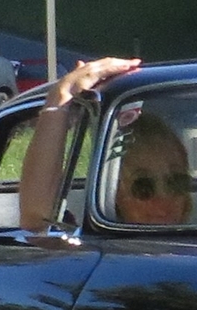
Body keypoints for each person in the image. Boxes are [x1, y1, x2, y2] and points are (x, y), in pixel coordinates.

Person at [18, 55, 139, 231]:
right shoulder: (90, 239)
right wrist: (61, 99)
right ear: (116, 193)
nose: (164, 200)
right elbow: (37, 221)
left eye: (177, 184)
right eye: (142, 189)